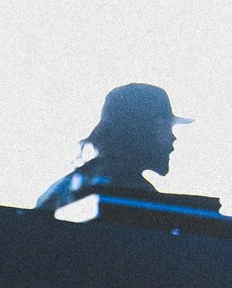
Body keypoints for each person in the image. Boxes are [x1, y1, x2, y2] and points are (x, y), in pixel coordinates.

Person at [33, 82, 191, 213]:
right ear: (143, 130)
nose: (173, 138)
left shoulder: (70, 185)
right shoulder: (129, 192)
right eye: (166, 127)